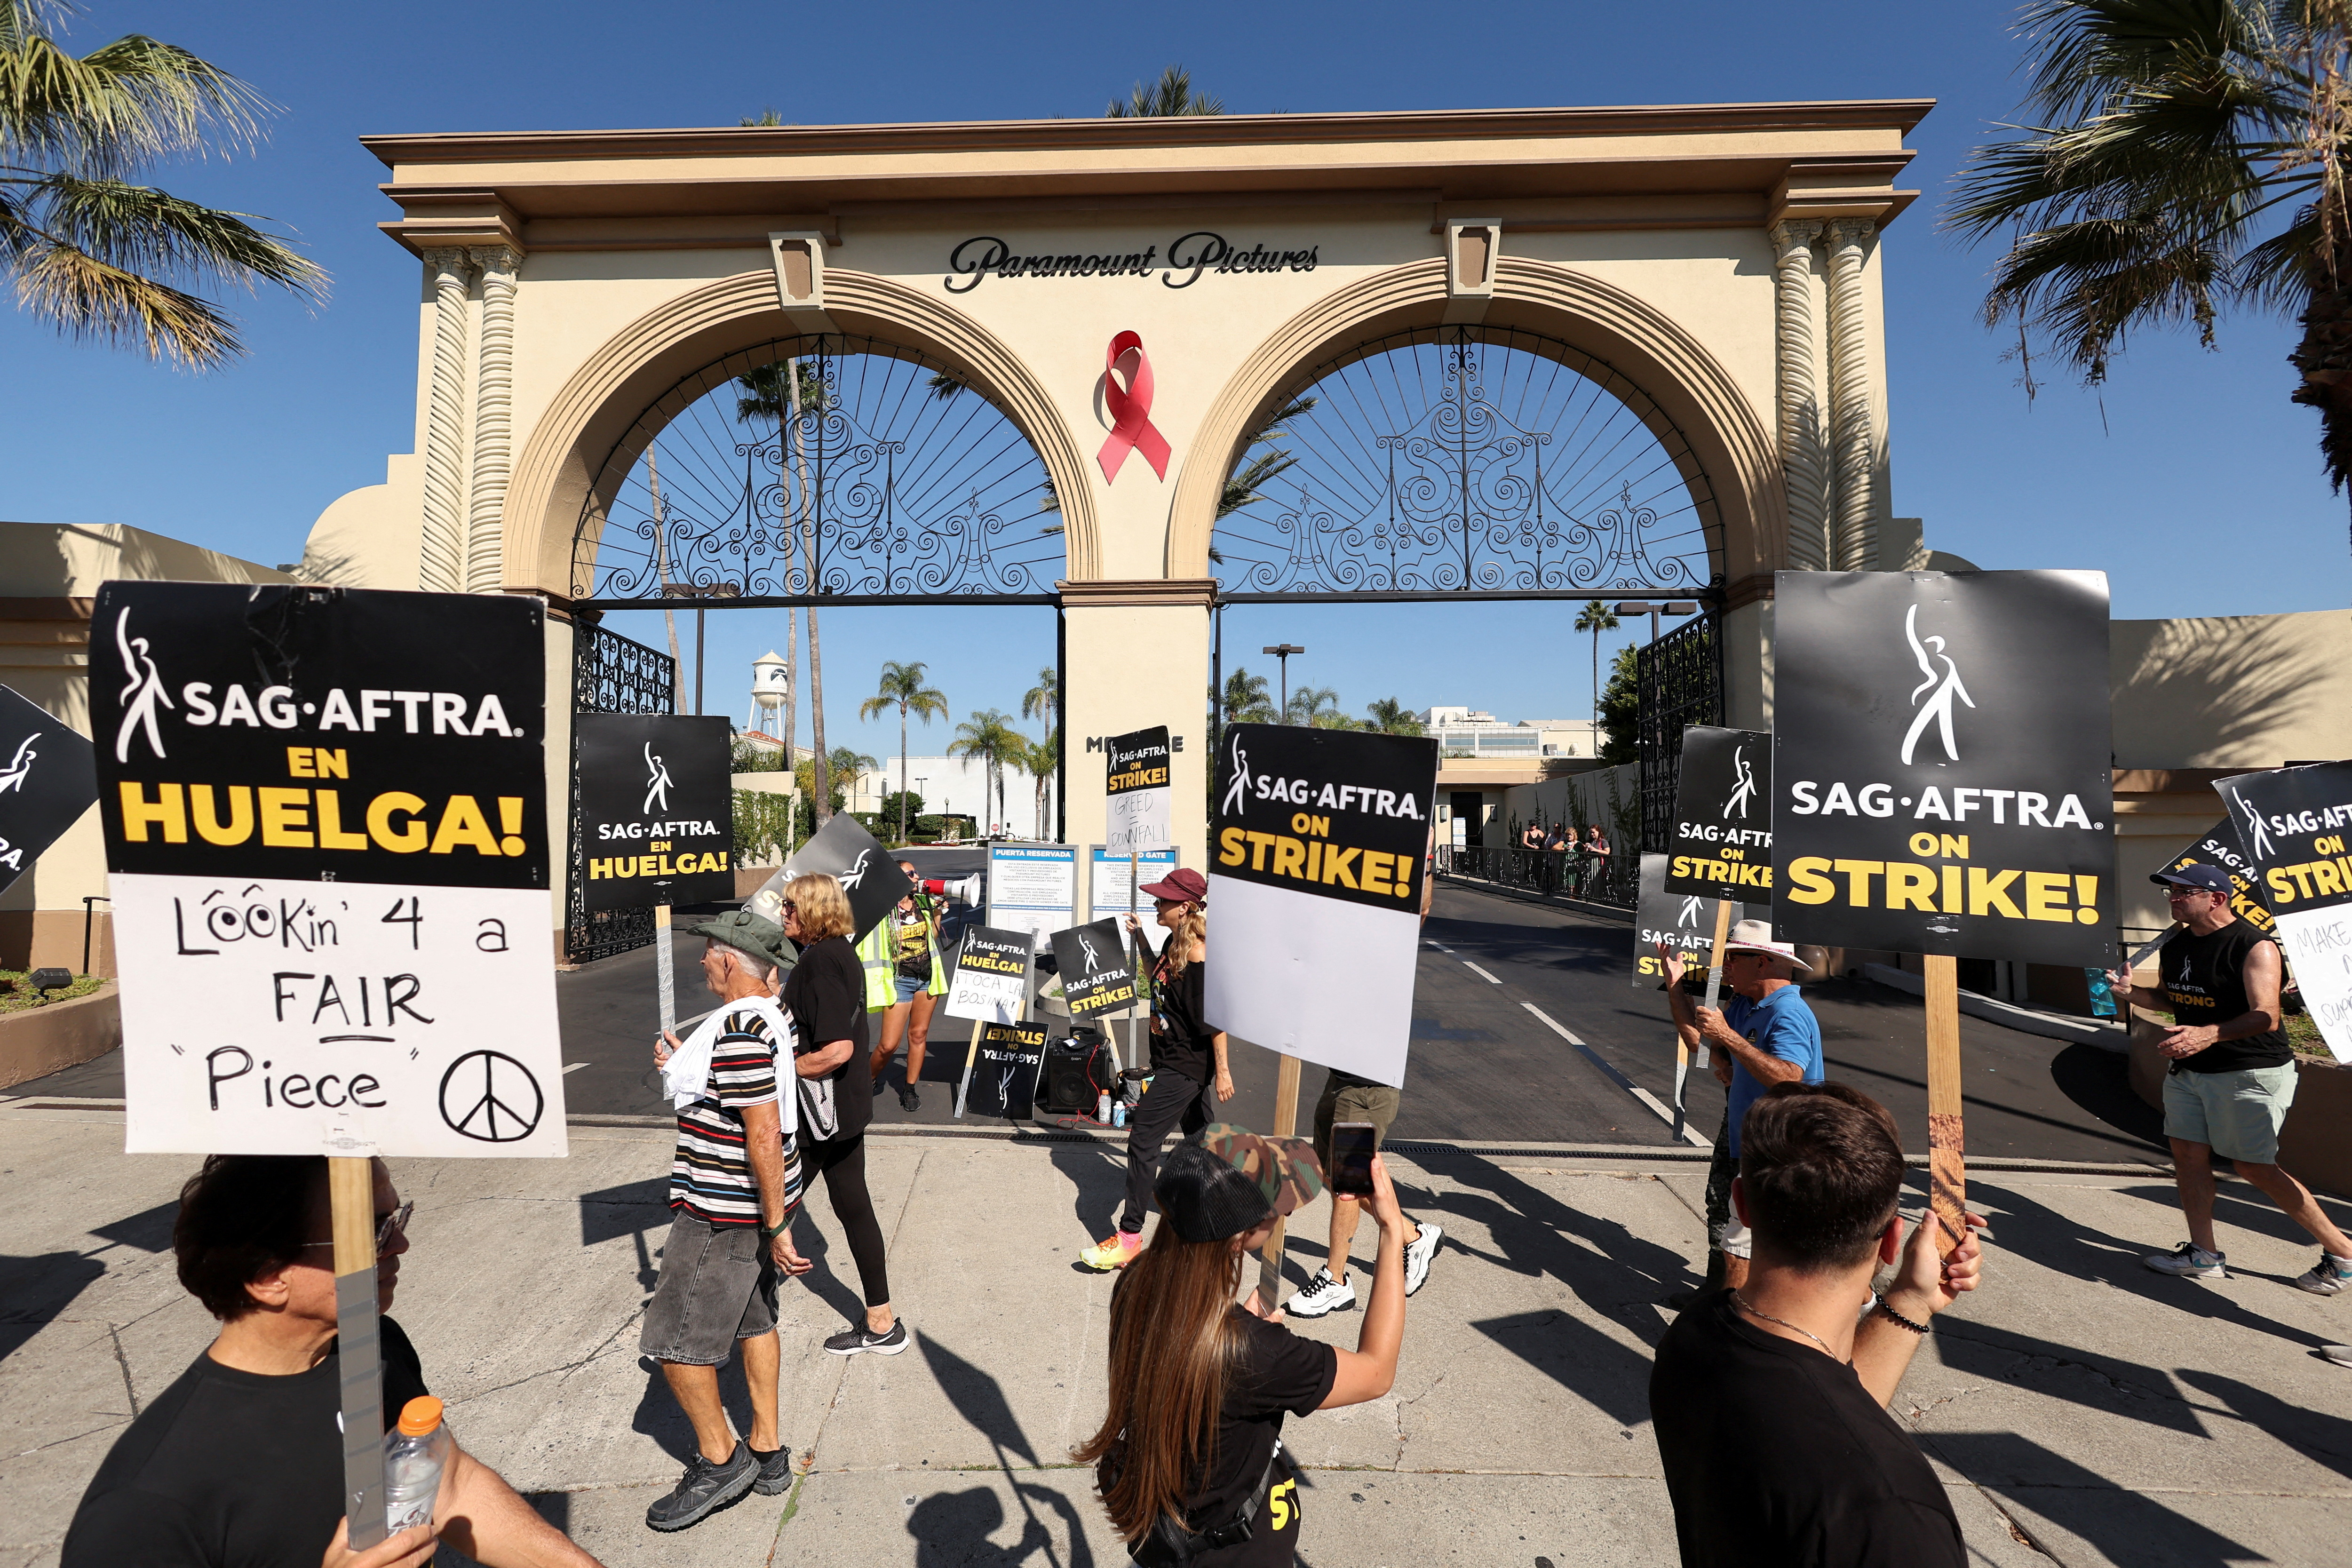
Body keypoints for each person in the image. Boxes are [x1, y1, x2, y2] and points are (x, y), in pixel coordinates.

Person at [63, 1155, 606, 1568]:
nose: (401, 1245)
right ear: (268, 1276)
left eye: (396, 1218)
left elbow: (448, 1484)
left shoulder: (373, 1348)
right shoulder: (145, 1507)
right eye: (371, 1231)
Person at [1651, 1081, 1987, 1567]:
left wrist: (1912, 1302)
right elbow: (1826, 1421)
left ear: (1741, 1205)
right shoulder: (1890, 1514)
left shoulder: (1694, 1337)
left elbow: (1821, 1410)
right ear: (1893, 1241)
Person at [1075, 1125, 1411, 1565]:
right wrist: (1391, 1230)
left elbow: (1196, 1364)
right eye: (1277, 1208)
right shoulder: (1254, 1353)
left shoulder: (1136, 1284)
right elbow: (1377, 1371)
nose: (1282, 1216)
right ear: (1239, 1239)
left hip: (1163, 1541)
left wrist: (1237, 1329)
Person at [642, 908, 810, 1531]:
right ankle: (766, 1449)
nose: (703, 961)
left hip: (722, 1211)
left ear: (731, 962)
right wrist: (694, 1062)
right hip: (753, 1207)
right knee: (754, 1320)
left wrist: (775, 1226)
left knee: (674, 1344)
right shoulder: (770, 1014)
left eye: (710, 953)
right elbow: (747, 1087)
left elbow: (762, 1129)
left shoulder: (739, 1029)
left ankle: (722, 1461)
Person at [2112, 863, 2352, 1293]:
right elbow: (2174, 1000)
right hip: (2190, 1070)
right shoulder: (2179, 944)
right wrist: (2133, 994)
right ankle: (2203, 1255)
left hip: (2249, 1072)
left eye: (2184, 892)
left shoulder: (2255, 947)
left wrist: (2208, 1034)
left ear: (2217, 898)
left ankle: (2344, 1252)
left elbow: (2266, 1015)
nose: (2173, 899)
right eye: (2171, 892)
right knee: (2187, 1155)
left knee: (2253, 1165)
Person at [1660, 920, 1825, 1300]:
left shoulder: (1788, 1012)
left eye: (1734, 957)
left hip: (1780, 1144)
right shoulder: (1746, 1005)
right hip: (1743, 1132)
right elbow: (1703, 1045)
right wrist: (1676, 986)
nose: (1726, 966)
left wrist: (1729, 1037)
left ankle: (1744, 1305)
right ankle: (1719, 1294)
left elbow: (1790, 1079)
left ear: (1764, 962)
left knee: (1769, 1229)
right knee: (1723, 1212)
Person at [779, 873, 909, 1353]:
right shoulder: (836, 954)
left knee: (767, 1207)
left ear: (812, 911)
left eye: (791, 907)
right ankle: (881, 1322)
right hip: (843, 1109)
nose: (784, 914)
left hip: (822, 1114)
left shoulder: (819, 962)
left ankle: (731, 1316)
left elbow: (835, 1049)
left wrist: (786, 1067)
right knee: (853, 1207)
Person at [1082, 868, 1235, 1271]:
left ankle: (1130, 1237)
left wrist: (1223, 1070)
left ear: (1184, 907)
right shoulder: (1175, 942)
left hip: (1187, 1065)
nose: (1156, 904)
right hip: (1172, 1059)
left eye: (1163, 900)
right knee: (1201, 1137)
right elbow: (1158, 976)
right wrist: (1140, 939)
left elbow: (1215, 1019)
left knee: (1144, 1138)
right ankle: (1223, 1208)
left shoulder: (1200, 954)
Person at [862, 860, 947, 1112]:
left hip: (926, 978)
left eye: (915, 872)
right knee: (888, 1044)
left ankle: (909, 1088)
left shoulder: (923, 903)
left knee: (918, 1035)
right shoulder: (883, 909)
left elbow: (932, 935)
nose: (917, 876)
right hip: (900, 980)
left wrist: (938, 912)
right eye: (910, 874)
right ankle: (868, 1080)